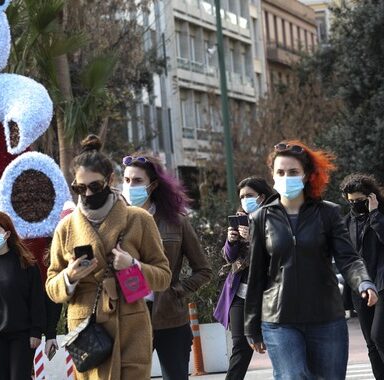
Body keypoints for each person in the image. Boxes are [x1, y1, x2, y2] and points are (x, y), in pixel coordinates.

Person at [245, 141, 379, 380]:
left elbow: (348, 258)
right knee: (293, 376)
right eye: (281, 172)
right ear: (273, 176)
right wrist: (251, 326)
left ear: (306, 175)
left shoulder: (328, 213)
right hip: (279, 318)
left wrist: (364, 282)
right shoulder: (260, 218)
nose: (287, 177)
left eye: (293, 172)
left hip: (326, 317)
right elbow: (256, 275)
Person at [46, 135, 171, 380]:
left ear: (110, 180)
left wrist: (132, 266)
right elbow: (51, 287)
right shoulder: (66, 227)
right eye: (80, 188)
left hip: (131, 326)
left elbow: (164, 277)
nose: (88, 193)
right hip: (88, 331)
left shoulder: (138, 219)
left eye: (95, 186)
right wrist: (69, 277)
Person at [122, 153, 212, 380]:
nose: (130, 186)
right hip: (129, 316)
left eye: (137, 181)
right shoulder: (117, 222)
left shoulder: (176, 222)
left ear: (152, 186)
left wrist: (176, 291)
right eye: (126, 180)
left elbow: (203, 270)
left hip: (169, 317)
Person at [0, 211, 46, 380]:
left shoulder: (25, 262)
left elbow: (36, 299)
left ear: (7, 233)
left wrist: (36, 330)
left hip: (21, 335)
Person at [213, 177, 275, 380]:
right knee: (241, 346)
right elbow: (230, 257)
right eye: (242, 197)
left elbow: (277, 255)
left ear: (262, 197)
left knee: (279, 344)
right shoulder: (240, 220)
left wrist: (253, 238)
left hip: (270, 295)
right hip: (240, 295)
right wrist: (232, 241)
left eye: (250, 196)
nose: (245, 200)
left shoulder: (273, 219)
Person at [340, 173, 384, 379]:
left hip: (382, 283)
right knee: (371, 344)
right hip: (361, 287)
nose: (356, 204)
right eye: (352, 201)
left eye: (360, 200)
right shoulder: (346, 222)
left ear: (371, 197)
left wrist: (375, 214)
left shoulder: (380, 214)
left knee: (379, 336)